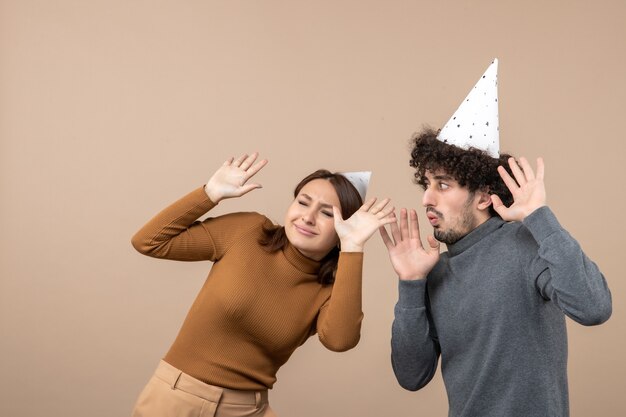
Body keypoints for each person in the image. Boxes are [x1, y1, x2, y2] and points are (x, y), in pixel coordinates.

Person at [380, 60, 612, 417]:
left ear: (485, 195)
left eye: (443, 185)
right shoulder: (434, 272)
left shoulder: (526, 243)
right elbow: (411, 376)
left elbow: (594, 307)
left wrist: (540, 218)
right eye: (426, 185)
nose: (427, 198)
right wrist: (411, 284)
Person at [130, 152, 395, 417]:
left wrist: (352, 247)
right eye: (303, 202)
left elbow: (340, 340)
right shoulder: (248, 231)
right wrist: (209, 193)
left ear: (343, 227)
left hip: (247, 409)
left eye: (326, 213)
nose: (308, 217)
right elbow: (149, 242)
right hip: (176, 400)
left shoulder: (328, 290)